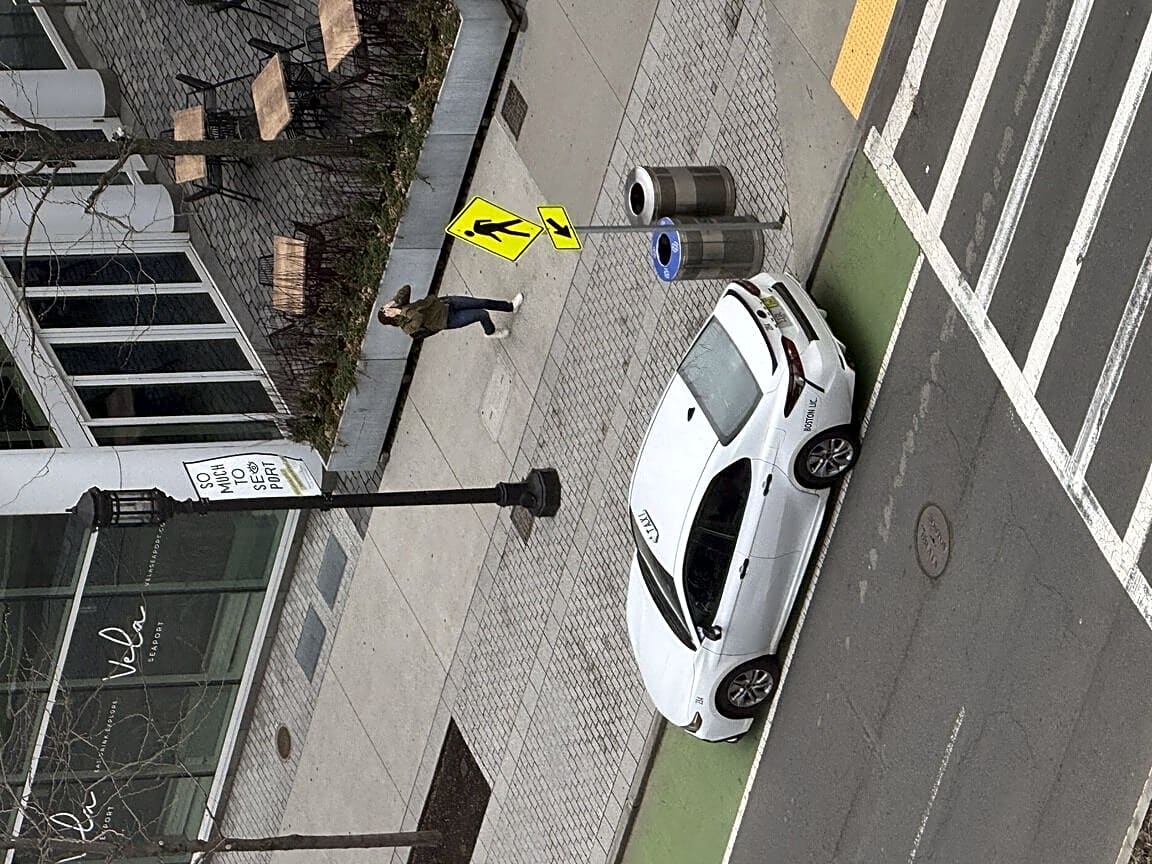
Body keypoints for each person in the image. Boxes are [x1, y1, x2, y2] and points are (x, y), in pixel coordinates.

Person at [377, 285, 523, 340]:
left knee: (482, 302)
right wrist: (399, 310)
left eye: (385, 307)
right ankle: (490, 332)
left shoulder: (401, 304)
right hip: (449, 320)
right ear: (390, 318)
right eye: (386, 311)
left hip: (446, 303)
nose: (388, 309)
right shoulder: (406, 328)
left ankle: (510, 307)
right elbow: (418, 317)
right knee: (482, 314)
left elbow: (406, 288)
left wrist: (394, 301)